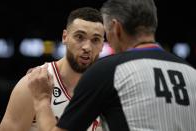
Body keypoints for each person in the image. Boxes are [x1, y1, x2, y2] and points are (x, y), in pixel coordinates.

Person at [28, 0, 196, 131]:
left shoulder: (109, 70)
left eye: (103, 34)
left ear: (116, 28)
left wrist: (42, 99)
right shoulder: (192, 73)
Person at [0, 7, 104, 131]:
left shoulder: (105, 88)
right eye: (80, 37)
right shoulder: (34, 82)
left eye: (95, 40)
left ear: (102, 44)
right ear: (65, 37)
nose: (87, 47)